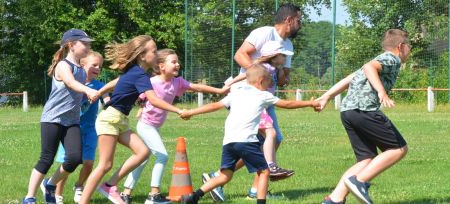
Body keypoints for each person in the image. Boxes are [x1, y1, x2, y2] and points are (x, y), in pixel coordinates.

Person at [180, 64, 321, 204]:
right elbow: (287, 104)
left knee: (225, 176)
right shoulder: (263, 95)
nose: (269, 86)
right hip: (247, 141)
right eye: (268, 82)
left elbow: (213, 106)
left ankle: (194, 196)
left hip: (229, 142)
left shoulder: (236, 93)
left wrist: (190, 112)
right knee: (264, 172)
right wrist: (309, 103)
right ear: (260, 81)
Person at [203, 4, 302, 201]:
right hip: (246, 94)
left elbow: (283, 80)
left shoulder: (288, 45)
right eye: (299, 21)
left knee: (271, 141)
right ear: (289, 20)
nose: (301, 25)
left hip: (265, 99)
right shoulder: (264, 33)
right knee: (269, 136)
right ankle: (254, 183)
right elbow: (240, 55)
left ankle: (221, 178)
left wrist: (281, 70)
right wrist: (260, 70)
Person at [78, 35, 189, 204]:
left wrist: (100, 92)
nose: (157, 54)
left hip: (120, 120)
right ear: (142, 56)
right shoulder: (139, 75)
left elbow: (117, 81)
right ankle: (84, 201)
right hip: (110, 119)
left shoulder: (135, 72)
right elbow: (154, 99)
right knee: (105, 165)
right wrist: (178, 110)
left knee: (143, 152)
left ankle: (109, 185)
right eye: (154, 51)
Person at [119, 49, 229, 204]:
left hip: (155, 127)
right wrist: (139, 105)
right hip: (145, 126)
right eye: (174, 62)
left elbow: (196, 87)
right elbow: (138, 96)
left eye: (178, 62)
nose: (178, 64)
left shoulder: (177, 82)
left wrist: (220, 90)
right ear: (161, 66)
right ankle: (154, 194)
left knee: (142, 159)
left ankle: (125, 194)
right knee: (162, 155)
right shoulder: (151, 82)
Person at [317, 29, 412, 204]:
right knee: (399, 149)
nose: (410, 51)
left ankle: (334, 199)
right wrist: (382, 92)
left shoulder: (379, 59)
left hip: (348, 112)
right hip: (364, 110)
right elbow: (369, 68)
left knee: (366, 158)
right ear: (401, 47)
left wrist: (327, 96)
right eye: (409, 47)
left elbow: (350, 78)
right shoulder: (392, 59)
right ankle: (359, 181)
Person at [22, 29, 98, 204]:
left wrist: (89, 95)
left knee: (74, 158)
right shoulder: (64, 66)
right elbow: (71, 83)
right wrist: (87, 89)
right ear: (71, 45)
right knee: (46, 158)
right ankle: (29, 197)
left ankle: (50, 184)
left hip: (71, 121)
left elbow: (78, 90)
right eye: (84, 43)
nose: (88, 46)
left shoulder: (81, 68)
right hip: (52, 119)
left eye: (89, 43)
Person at [54, 51, 110, 204]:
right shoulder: (73, 82)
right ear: (82, 65)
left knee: (89, 163)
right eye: (94, 65)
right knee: (67, 163)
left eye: (100, 66)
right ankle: (57, 194)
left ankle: (79, 186)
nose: (98, 68)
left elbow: (107, 98)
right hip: (70, 128)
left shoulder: (99, 85)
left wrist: (110, 104)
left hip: (90, 130)